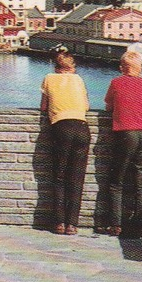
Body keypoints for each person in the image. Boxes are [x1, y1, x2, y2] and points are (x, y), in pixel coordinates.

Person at [102, 48, 142, 236]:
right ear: (139, 67)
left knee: (117, 180)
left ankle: (115, 224)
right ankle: (140, 225)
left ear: (122, 67)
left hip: (126, 132)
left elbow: (109, 105)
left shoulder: (116, 82)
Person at [40, 50, 90, 235]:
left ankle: (59, 222)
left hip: (61, 128)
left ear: (56, 66)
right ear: (72, 66)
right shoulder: (78, 80)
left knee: (59, 177)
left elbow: (44, 107)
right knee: (77, 179)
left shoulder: (48, 78)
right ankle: (72, 224)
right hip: (82, 128)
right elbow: (86, 106)